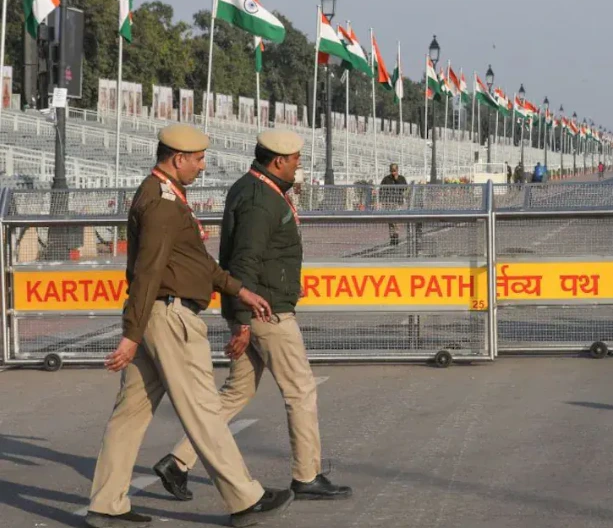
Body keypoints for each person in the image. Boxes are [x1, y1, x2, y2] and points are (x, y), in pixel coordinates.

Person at [85, 124, 293, 528]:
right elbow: (148, 272)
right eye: (198, 159)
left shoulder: (165, 195)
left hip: (156, 316)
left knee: (129, 415)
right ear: (177, 158)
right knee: (203, 411)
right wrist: (130, 335)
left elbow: (196, 264)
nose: (202, 166)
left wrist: (240, 290)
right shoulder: (162, 203)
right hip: (169, 317)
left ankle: (106, 503)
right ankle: (244, 498)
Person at [152, 131, 351, 507]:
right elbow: (245, 260)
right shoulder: (261, 200)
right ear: (278, 161)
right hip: (265, 311)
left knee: (237, 392)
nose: (298, 167)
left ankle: (178, 461)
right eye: (295, 160)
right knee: (300, 389)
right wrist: (243, 319)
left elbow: (262, 256)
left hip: (257, 305)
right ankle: (306, 475)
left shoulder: (253, 188)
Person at [379, 163, 407, 246]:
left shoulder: (401, 178)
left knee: (396, 220)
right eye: (391, 171)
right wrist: (381, 201)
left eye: (394, 171)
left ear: (397, 170)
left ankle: (396, 236)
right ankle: (392, 237)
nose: (393, 172)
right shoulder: (386, 179)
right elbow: (381, 189)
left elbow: (404, 188)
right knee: (390, 221)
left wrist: (397, 179)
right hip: (388, 201)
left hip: (398, 202)